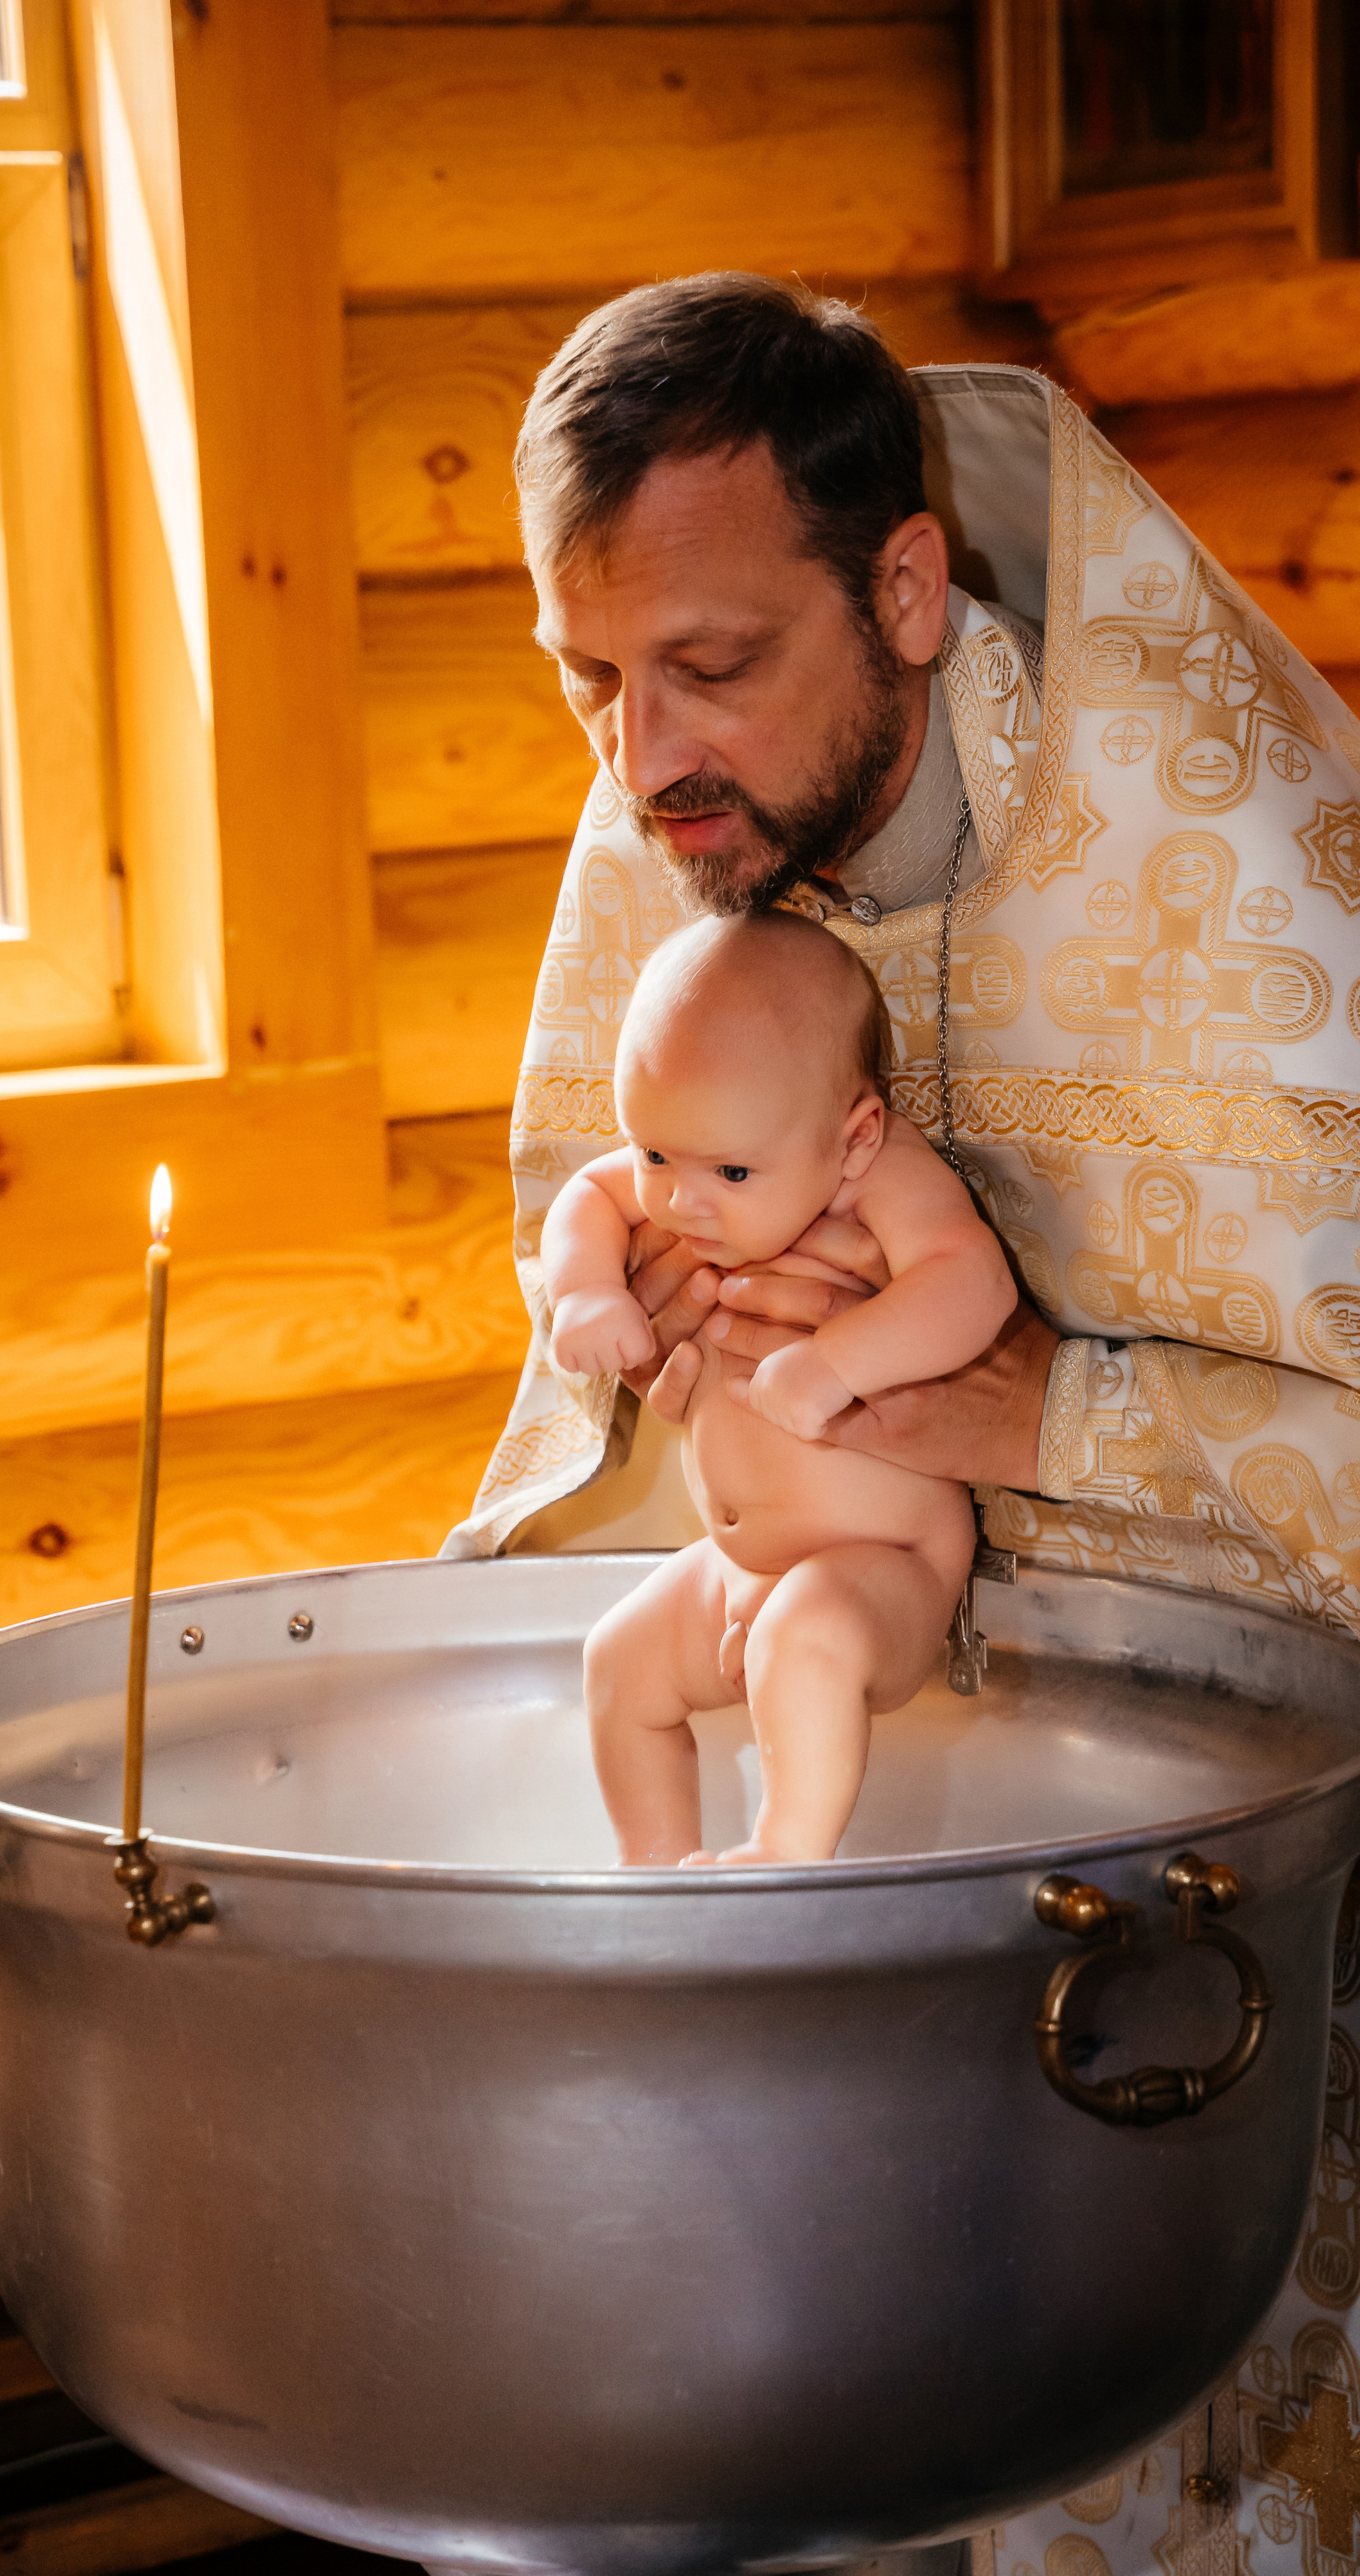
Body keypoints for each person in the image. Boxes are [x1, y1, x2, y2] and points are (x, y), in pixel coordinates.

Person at [440, 271, 1360, 2573]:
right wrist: (623, 1310)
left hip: (1267, 1896)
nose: (640, 757)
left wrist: (1060, 1415)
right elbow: (591, 1220)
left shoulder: (1263, 895)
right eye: (587, 677)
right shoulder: (685, 812)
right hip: (860, 1817)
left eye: (713, 667)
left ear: (914, 591)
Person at [543, 909, 1010, 1863]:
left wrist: (839, 1362)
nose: (677, 1200)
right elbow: (587, 1195)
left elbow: (974, 1282)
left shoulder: (876, 1180)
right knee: (618, 1664)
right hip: (737, 1569)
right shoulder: (698, 1158)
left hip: (883, 1564)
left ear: (853, 1139)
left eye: (732, 1170)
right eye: (654, 1153)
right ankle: (654, 1873)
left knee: (804, 1639)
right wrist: (586, 1292)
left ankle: (786, 1856)